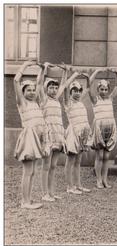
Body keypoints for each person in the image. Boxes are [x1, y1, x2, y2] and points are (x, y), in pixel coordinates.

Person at [14, 61, 50, 209]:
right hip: (29, 139)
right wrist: (27, 65)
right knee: (28, 171)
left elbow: (40, 82)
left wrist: (42, 69)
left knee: (32, 171)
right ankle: (25, 201)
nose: (32, 92)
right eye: (28, 90)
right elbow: (16, 80)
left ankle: (28, 200)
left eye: (33, 90)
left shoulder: (36, 103)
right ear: (23, 92)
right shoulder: (22, 103)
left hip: (37, 138)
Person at [40, 62, 67, 201]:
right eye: (51, 87)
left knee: (54, 165)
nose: (54, 90)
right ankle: (44, 193)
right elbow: (39, 83)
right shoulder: (44, 99)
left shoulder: (57, 100)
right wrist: (44, 69)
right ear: (46, 89)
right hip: (47, 136)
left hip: (58, 135)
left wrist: (65, 71)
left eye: (55, 88)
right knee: (46, 165)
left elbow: (64, 84)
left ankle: (51, 192)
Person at [89, 68, 117, 189]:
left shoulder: (110, 98)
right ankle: (98, 180)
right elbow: (88, 85)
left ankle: (105, 179)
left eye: (106, 89)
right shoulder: (95, 100)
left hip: (109, 127)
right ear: (98, 90)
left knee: (107, 156)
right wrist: (96, 72)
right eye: (101, 89)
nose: (104, 91)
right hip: (99, 129)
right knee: (99, 156)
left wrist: (116, 74)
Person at [63, 68, 92, 194]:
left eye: (79, 91)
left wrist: (86, 78)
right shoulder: (68, 103)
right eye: (74, 91)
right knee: (70, 160)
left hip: (83, 133)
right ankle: (70, 187)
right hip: (73, 133)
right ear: (70, 92)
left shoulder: (80, 102)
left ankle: (78, 185)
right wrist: (74, 75)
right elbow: (64, 87)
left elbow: (89, 88)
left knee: (78, 161)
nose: (77, 93)